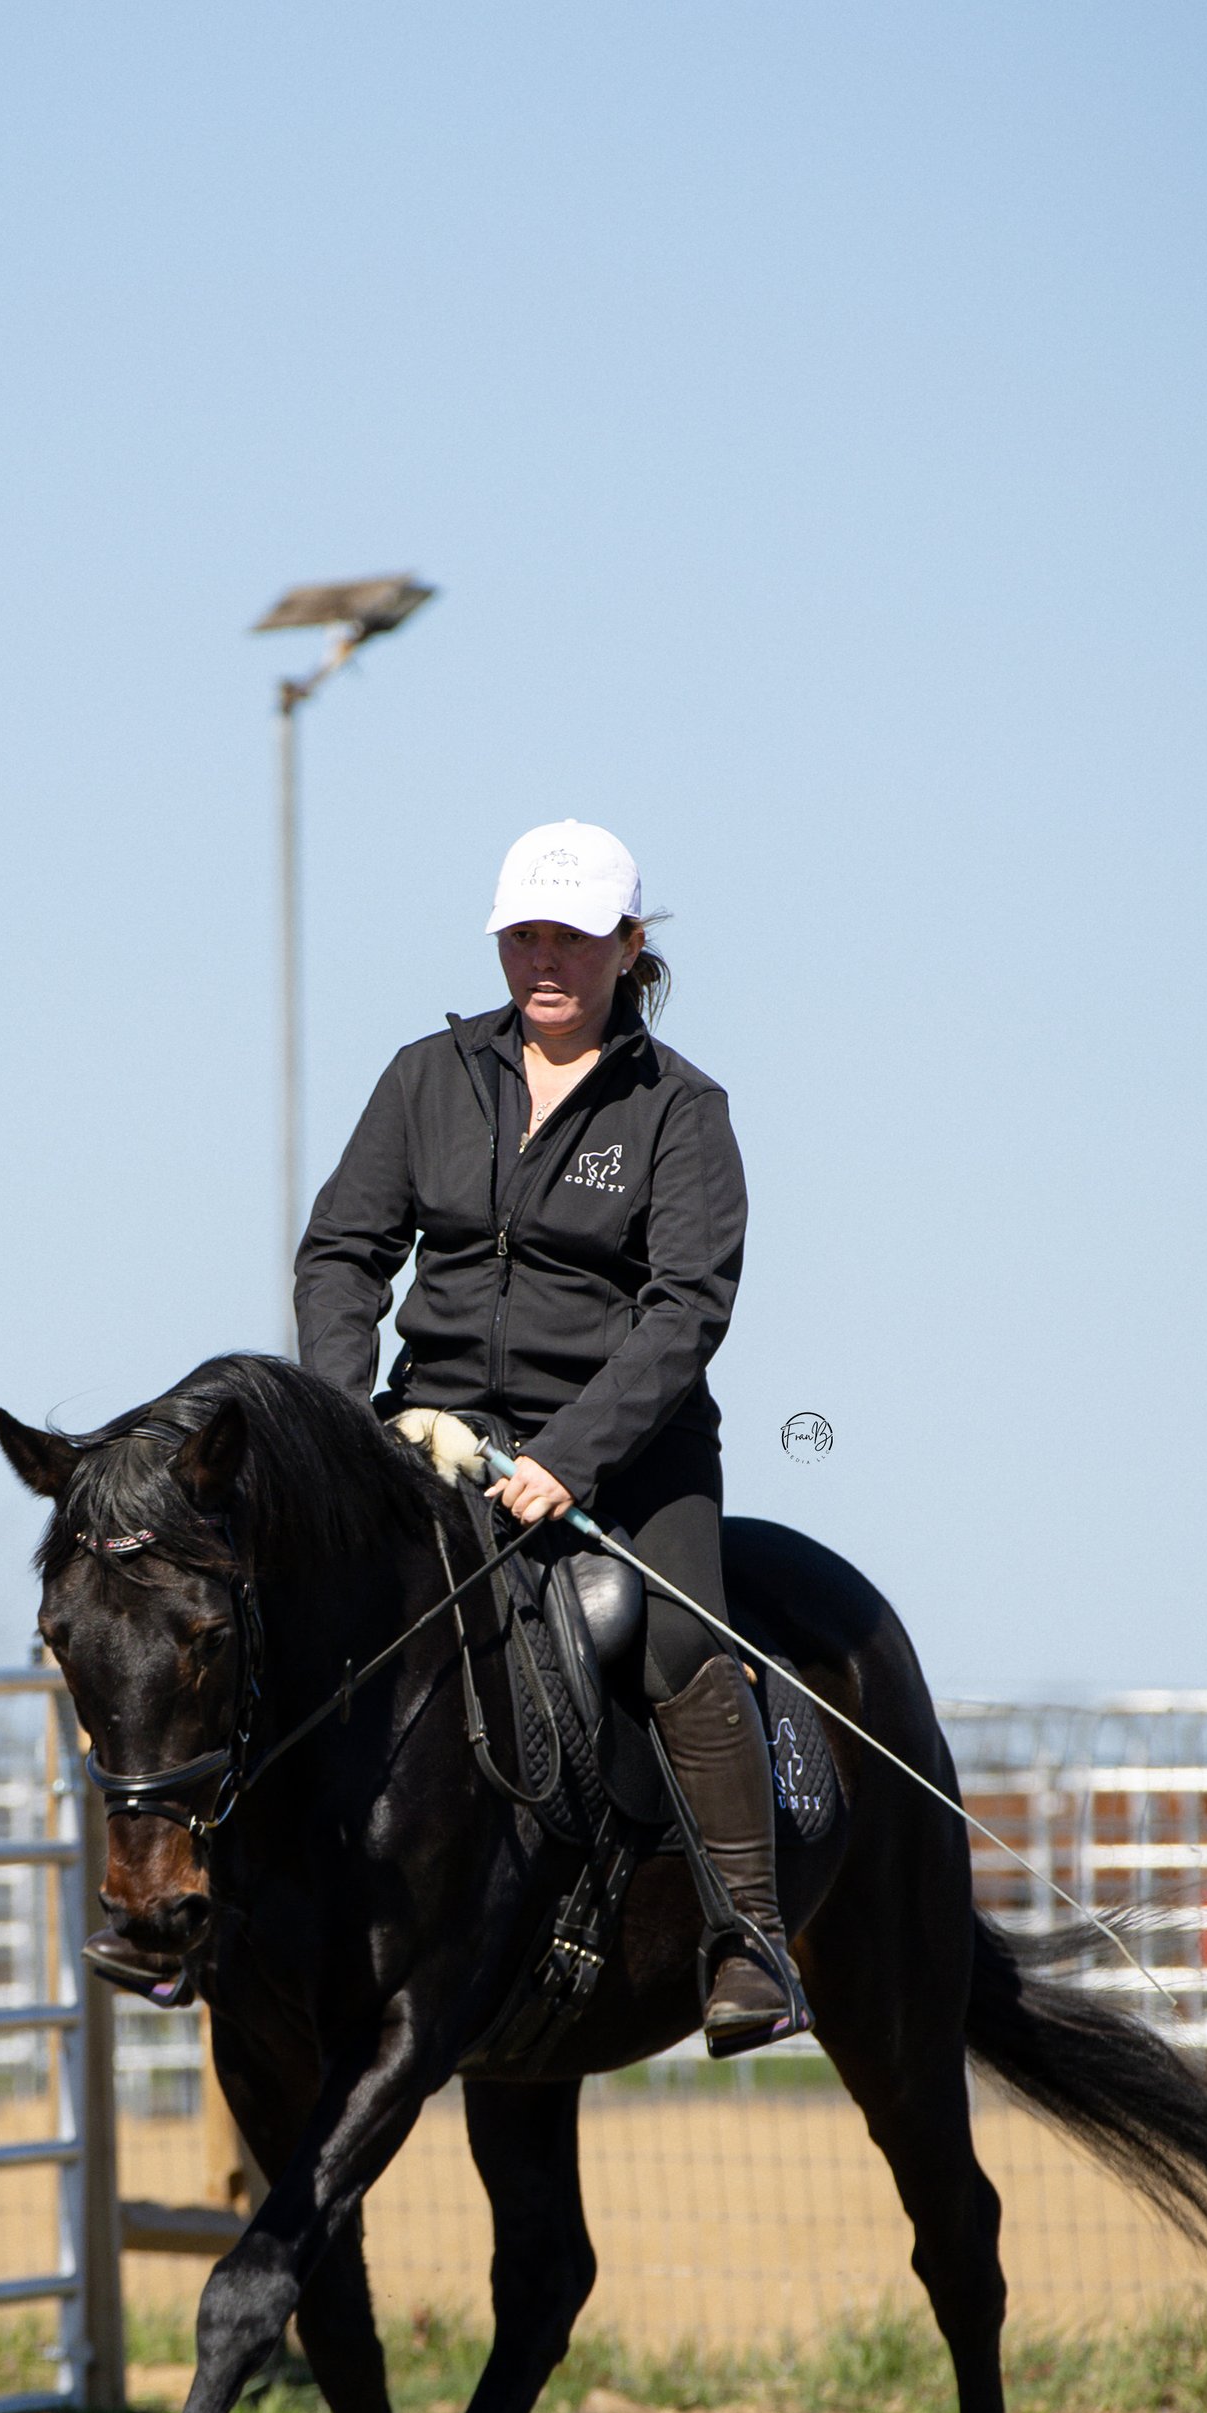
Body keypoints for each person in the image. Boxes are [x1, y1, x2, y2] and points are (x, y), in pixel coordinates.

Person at [293, 818, 802, 2055]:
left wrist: (569, 1457)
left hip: (632, 1451)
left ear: (629, 946)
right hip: (435, 1429)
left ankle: (749, 1936)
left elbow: (689, 1308)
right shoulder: (426, 1076)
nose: (543, 959)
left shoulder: (683, 1110)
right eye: (523, 934)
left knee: (676, 1635)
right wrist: (337, 1425)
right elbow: (344, 1252)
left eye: (571, 937)